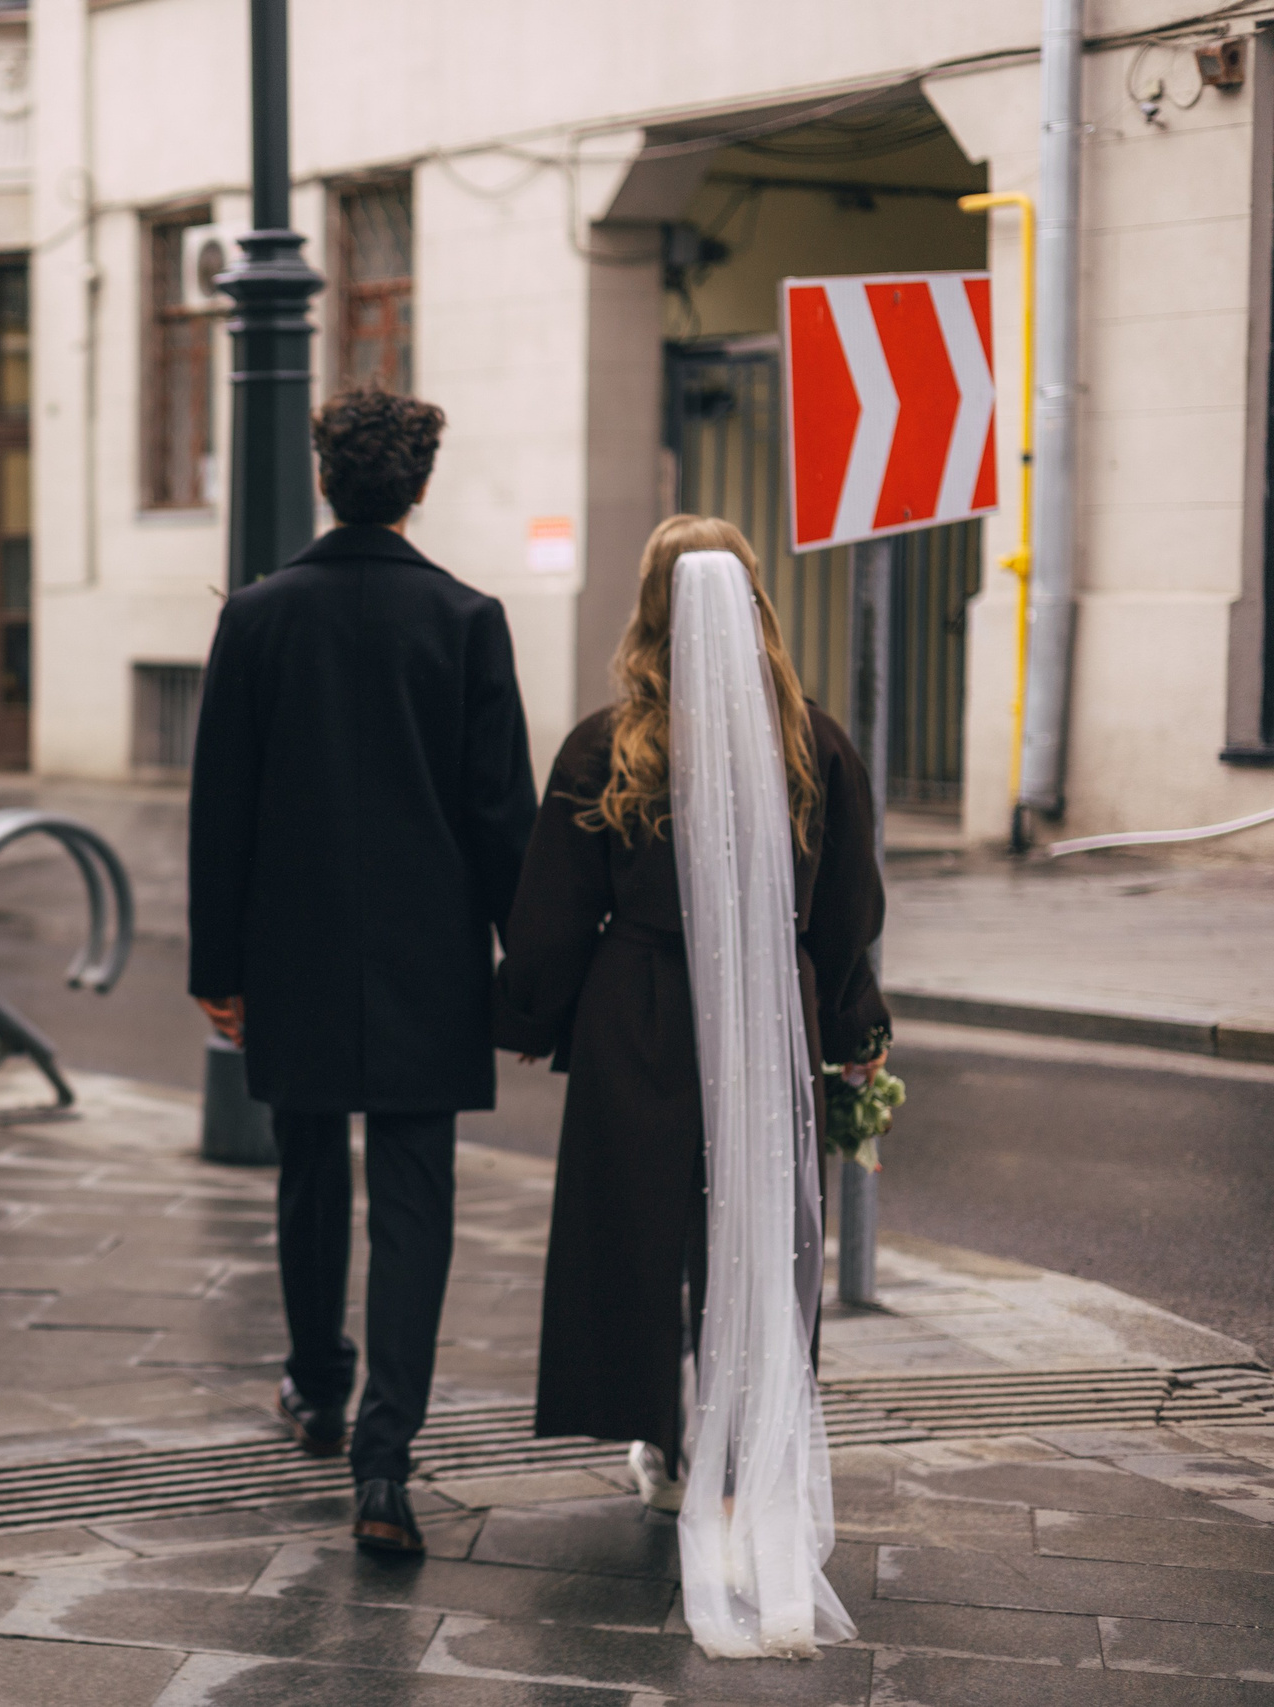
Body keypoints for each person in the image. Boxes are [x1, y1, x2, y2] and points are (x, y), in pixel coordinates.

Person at [494, 514, 889, 1658]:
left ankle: (667, 1448)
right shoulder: (813, 744)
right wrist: (854, 1027)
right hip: (770, 1013)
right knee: (748, 1233)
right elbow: (849, 912)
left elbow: (553, 904)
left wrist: (531, 1015)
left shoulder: (608, 745)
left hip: (639, 1011)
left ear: (653, 606)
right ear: (755, 601)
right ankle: (740, 1455)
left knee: (640, 1230)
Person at [187, 389, 538, 1557]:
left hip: (292, 952)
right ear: (419, 488)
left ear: (322, 479)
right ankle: (384, 1462)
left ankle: (316, 1385)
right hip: (428, 959)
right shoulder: (468, 619)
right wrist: (531, 968)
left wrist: (217, 965)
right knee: (414, 1199)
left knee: (305, 1175)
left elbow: (220, 808)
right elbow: (501, 818)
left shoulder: (257, 616)